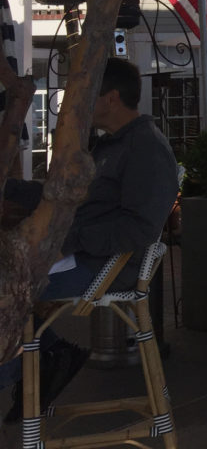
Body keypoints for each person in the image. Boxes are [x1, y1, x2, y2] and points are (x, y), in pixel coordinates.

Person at [1, 58, 179, 422]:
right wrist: (10, 189)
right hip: (80, 256)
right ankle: (51, 354)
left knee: (5, 286)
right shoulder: (111, 145)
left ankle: (39, 361)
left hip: (106, 267)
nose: (77, 103)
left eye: (86, 95)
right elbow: (66, 198)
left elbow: (140, 228)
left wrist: (69, 243)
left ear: (110, 98)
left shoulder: (146, 148)